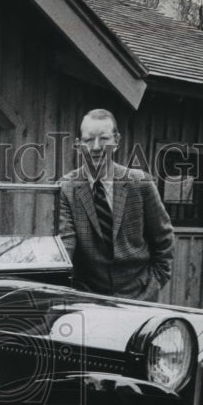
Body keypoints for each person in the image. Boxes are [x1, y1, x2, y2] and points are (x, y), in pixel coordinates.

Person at [58, 108, 175, 302]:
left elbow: (164, 240)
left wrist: (152, 286)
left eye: (103, 139)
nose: (96, 147)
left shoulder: (141, 183)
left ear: (116, 141)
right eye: (88, 140)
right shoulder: (66, 188)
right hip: (88, 301)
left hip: (139, 297)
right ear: (78, 145)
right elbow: (66, 245)